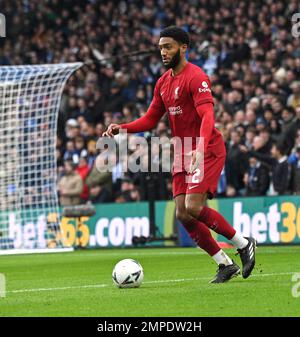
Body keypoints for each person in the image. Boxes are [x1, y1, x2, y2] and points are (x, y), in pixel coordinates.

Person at [103, 26, 256, 283]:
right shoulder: (163, 82)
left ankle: (243, 244)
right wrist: (123, 128)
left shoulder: (196, 77)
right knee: (183, 214)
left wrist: (199, 146)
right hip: (183, 149)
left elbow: (208, 115)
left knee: (194, 207)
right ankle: (224, 263)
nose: (163, 52)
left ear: (183, 47)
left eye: (168, 47)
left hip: (205, 148)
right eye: (161, 47)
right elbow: (151, 119)